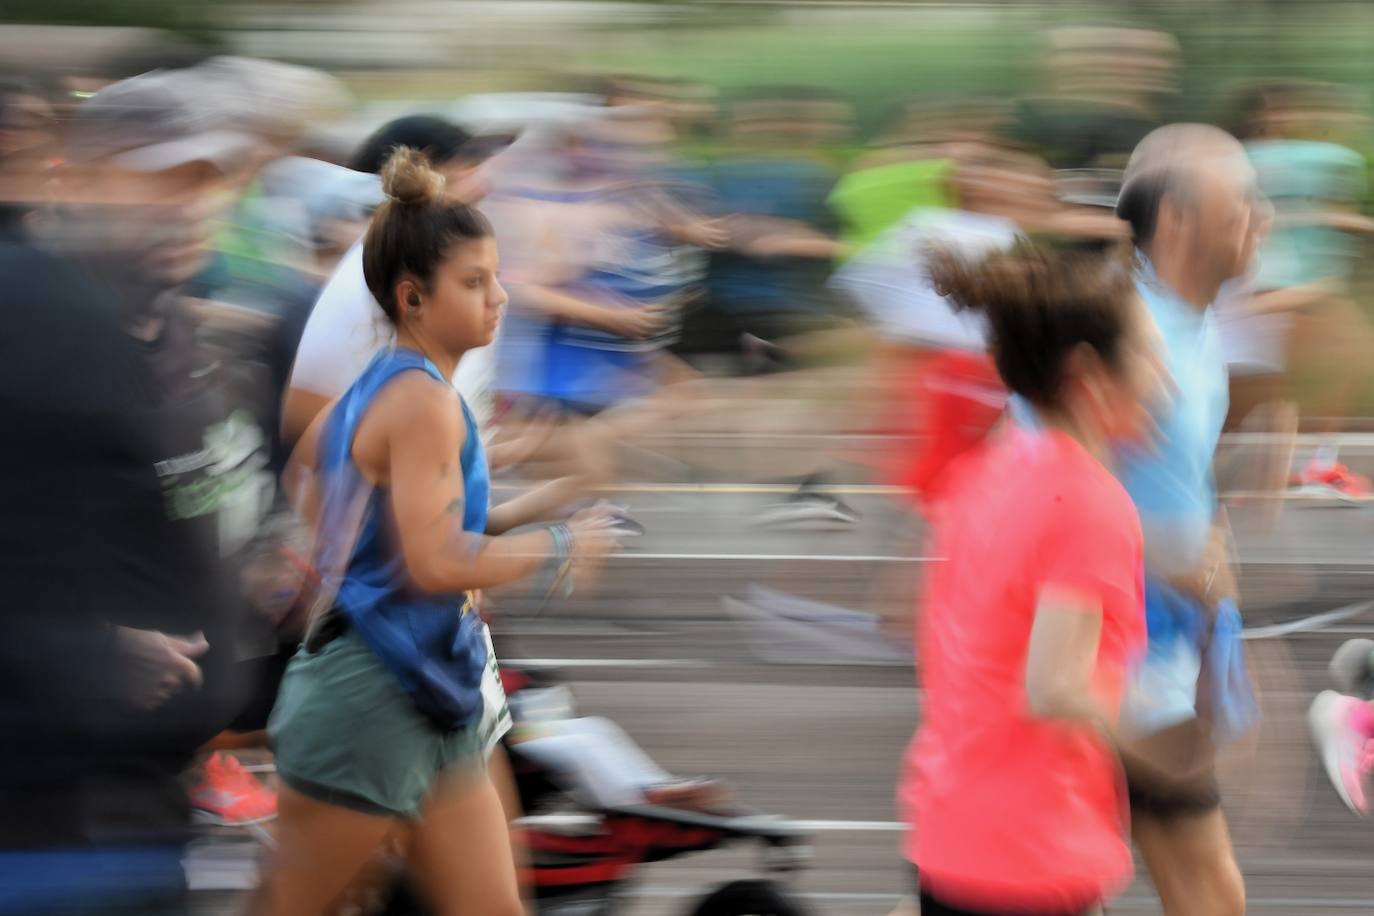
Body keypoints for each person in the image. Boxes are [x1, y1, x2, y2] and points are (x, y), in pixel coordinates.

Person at [255, 148, 621, 916]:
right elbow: (435, 559)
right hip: (372, 703)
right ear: (412, 297)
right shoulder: (421, 401)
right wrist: (561, 548)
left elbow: (325, 484)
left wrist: (521, 515)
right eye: (475, 282)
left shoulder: (386, 388)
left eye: (497, 276)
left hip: (435, 696)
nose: (500, 297)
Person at [0, 68, 276, 912]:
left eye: (205, 182)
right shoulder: (25, 323)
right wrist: (86, 652)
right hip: (38, 825)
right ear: (74, 183)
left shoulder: (182, 337)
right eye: (155, 179)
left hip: (150, 808)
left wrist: (264, 572)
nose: (186, 205)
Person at [901, 240, 1162, 915]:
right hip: (1029, 854)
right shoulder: (1090, 502)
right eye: (1148, 357)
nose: (1166, 381)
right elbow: (1053, 685)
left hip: (952, 827)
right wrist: (1162, 738)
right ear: (1089, 376)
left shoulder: (984, 473)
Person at [1111, 124, 1263, 916]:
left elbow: (1166, 481)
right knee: (1210, 891)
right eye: (1242, 202)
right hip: (1107, 665)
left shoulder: (1195, 327)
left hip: (1161, 658)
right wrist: (1168, 556)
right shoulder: (1119, 338)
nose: (1261, 219)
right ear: (1176, 220)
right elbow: (1026, 484)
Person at [281, 115, 511, 447]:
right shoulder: (369, 274)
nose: (483, 184)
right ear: (428, 171)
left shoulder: (457, 264)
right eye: (470, 166)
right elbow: (306, 419)